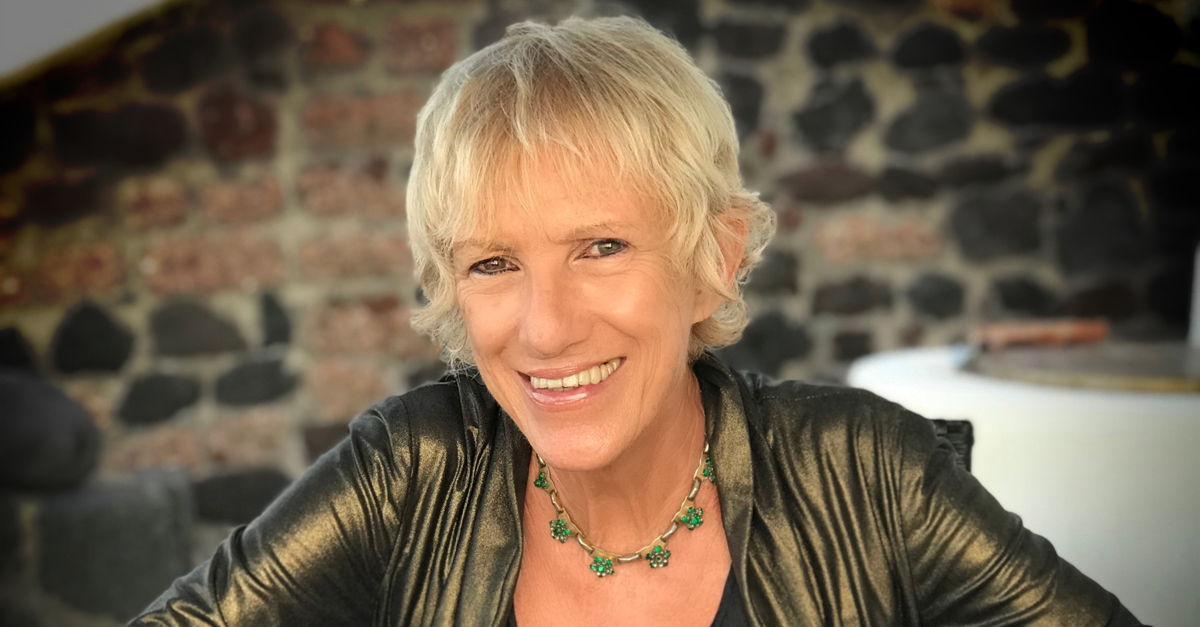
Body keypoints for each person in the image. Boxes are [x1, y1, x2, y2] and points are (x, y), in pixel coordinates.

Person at [131, 16, 1142, 627]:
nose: (545, 329)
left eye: (602, 246)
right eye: (492, 263)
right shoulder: (410, 473)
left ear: (714, 260)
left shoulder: (866, 475)